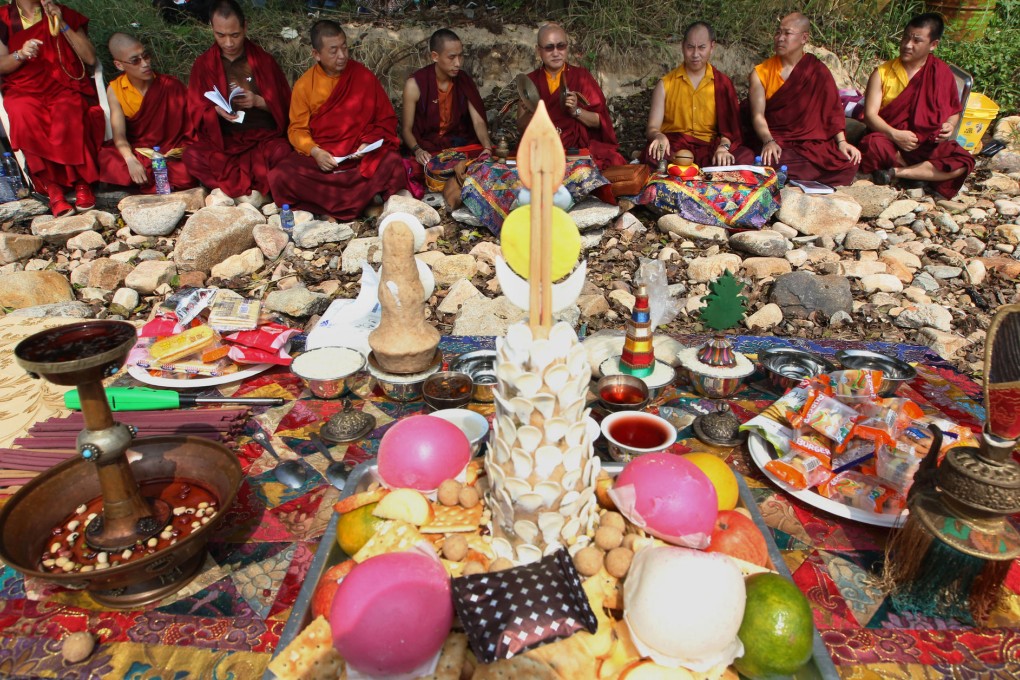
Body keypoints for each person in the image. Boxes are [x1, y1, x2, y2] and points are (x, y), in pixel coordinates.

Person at [267, 20, 407, 220]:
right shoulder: (305, 85)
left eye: (344, 48)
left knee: (393, 162)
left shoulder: (363, 77)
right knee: (281, 175)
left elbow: (385, 119)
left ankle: (329, 206)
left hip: (358, 157)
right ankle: (364, 200)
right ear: (317, 54)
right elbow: (297, 130)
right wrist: (315, 152)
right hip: (324, 159)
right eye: (333, 51)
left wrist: (367, 142)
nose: (342, 56)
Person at [0, 0, 103, 216]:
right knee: (22, 111)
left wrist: (62, 22)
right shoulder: (3, 18)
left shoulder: (60, 11)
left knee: (68, 109)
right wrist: (20, 53)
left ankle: (82, 183)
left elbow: (90, 57)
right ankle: (52, 189)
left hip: (63, 83)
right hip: (24, 88)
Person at [184, 0, 291, 200]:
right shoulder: (204, 64)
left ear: (245, 27)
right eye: (220, 35)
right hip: (225, 141)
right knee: (191, 155)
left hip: (261, 138)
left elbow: (286, 107)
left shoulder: (263, 61)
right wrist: (215, 111)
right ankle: (258, 189)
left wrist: (259, 101)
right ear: (212, 29)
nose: (228, 43)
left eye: (235, 35)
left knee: (282, 152)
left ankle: (234, 191)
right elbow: (195, 110)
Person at [858, 13, 974, 198]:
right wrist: (894, 134)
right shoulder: (882, 73)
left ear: (933, 45)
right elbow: (870, 116)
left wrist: (950, 125)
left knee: (963, 161)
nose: (907, 45)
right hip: (891, 141)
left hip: (927, 144)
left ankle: (899, 173)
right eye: (905, 37)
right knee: (873, 144)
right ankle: (923, 175)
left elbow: (954, 112)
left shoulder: (941, 72)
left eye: (916, 40)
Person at [748, 12, 860, 186]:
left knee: (847, 162)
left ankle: (782, 176)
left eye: (787, 33)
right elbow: (757, 115)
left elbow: (832, 112)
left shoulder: (817, 71)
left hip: (809, 145)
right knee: (757, 159)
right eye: (778, 32)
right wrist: (768, 141)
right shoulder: (761, 72)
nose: (780, 38)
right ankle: (786, 175)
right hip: (775, 140)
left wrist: (842, 142)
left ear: (804, 38)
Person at [517, 23, 625, 170]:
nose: (556, 53)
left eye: (561, 46)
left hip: (574, 150)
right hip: (542, 149)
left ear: (567, 47)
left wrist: (575, 111)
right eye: (549, 48)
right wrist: (531, 113)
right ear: (538, 51)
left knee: (611, 161)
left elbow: (600, 121)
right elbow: (521, 126)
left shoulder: (581, 76)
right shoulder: (530, 82)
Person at [645, 22, 752, 169]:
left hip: (709, 148)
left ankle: (688, 173)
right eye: (690, 47)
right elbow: (652, 127)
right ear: (682, 46)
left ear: (712, 47)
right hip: (675, 148)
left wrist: (723, 148)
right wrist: (658, 136)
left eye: (702, 47)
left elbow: (730, 131)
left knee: (744, 156)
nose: (695, 54)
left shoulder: (722, 83)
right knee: (654, 154)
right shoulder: (665, 84)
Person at [99, 33, 196, 193]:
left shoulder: (170, 85)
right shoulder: (115, 89)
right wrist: (130, 160)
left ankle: (142, 182)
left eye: (146, 56)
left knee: (192, 162)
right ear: (119, 65)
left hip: (172, 149)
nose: (145, 64)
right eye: (135, 61)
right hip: (141, 151)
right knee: (107, 158)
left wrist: (179, 150)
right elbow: (120, 135)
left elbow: (191, 126)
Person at [401, 28, 493, 166]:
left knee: (485, 160)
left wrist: (487, 147)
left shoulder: (463, 80)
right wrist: (417, 150)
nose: (458, 63)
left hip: (457, 144)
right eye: (451, 57)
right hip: (427, 146)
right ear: (435, 56)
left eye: (460, 56)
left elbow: (478, 122)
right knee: (413, 167)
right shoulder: (415, 84)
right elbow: (406, 129)